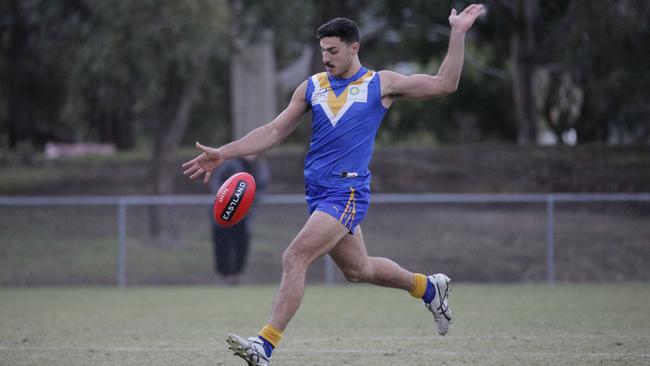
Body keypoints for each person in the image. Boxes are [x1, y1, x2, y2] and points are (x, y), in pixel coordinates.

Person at [182, 4, 486, 365]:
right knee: (359, 270)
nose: (325, 57)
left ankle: (264, 346)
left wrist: (457, 33)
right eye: (323, 50)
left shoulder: (380, 84)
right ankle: (428, 288)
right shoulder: (312, 87)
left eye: (333, 51)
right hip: (318, 194)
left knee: (295, 256)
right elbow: (273, 131)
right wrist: (224, 152)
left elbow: (444, 84)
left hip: (348, 191)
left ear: (354, 47)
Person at [208, 155, 270, 285]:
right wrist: (225, 200)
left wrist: (247, 201)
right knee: (222, 241)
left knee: (242, 242)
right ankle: (224, 275)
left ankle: (236, 274)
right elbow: (216, 182)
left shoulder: (258, 166)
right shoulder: (230, 163)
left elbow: (262, 186)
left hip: (244, 214)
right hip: (224, 212)